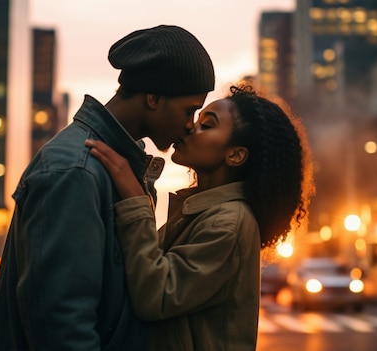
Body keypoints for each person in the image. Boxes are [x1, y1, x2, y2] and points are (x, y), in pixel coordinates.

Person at [0, 25, 215, 351]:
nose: (190, 124)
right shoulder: (75, 170)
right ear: (154, 98)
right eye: (188, 109)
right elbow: (63, 325)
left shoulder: (112, 167)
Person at [85, 85, 314, 350]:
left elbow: (155, 296)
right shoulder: (203, 212)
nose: (190, 127)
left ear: (235, 155)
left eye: (207, 125)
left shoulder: (228, 223)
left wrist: (135, 198)